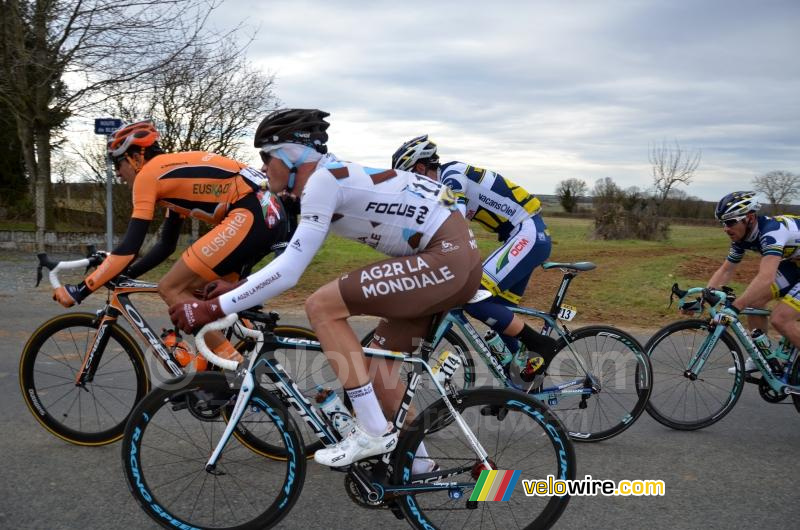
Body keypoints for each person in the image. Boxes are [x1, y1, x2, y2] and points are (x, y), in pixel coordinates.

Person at [169, 109, 482, 469]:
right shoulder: (329, 178)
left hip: (445, 257)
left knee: (322, 306)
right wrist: (238, 287)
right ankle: (418, 466)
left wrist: (215, 308)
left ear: (287, 155)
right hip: (456, 257)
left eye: (265, 158)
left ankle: (373, 433)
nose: (263, 167)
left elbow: (290, 272)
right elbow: (293, 251)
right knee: (377, 368)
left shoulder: (323, 181)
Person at [53, 120, 289, 367]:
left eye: (118, 164)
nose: (118, 174)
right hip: (268, 214)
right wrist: (128, 274)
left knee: (171, 288)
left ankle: (238, 370)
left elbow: (129, 247)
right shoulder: (172, 173)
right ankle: (218, 376)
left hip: (251, 214)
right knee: (205, 295)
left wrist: (80, 290)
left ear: (135, 157)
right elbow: (166, 244)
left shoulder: (149, 174)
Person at [391, 135, 557, 380]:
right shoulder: (442, 186)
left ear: (420, 168)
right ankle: (523, 385)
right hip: (522, 235)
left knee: (474, 297)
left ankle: (540, 345)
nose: (413, 188)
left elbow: (453, 224)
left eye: (411, 180)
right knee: (498, 311)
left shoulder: (451, 176)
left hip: (527, 231)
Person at [704, 191, 800, 373]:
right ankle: (761, 358)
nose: (726, 228)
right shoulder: (741, 237)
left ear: (749, 218)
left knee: (781, 319)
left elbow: (766, 278)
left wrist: (735, 308)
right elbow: (726, 269)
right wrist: (704, 296)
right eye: (723, 223)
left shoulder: (771, 232)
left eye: (731, 222)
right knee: (754, 302)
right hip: (795, 263)